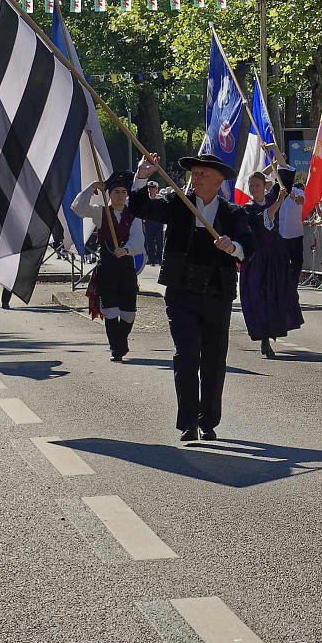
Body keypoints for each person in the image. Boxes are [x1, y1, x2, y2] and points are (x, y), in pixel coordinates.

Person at [128, 152, 256, 441]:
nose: (195, 179)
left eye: (202, 174)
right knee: (186, 356)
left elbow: (249, 245)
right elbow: (141, 208)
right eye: (193, 174)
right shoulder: (178, 203)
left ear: (218, 180)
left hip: (216, 294)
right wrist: (141, 176)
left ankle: (208, 420)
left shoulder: (232, 213)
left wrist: (232, 246)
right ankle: (188, 421)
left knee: (213, 359)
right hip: (181, 292)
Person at [72, 171, 145, 361]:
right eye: (116, 192)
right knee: (110, 311)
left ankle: (121, 341)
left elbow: (139, 239)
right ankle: (117, 349)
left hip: (126, 268)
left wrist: (127, 249)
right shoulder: (100, 212)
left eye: (123, 192)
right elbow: (78, 209)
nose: (120, 195)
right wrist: (92, 187)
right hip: (107, 268)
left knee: (129, 314)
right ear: (110, 194)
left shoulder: (133, 215)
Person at [239, 169, 304, 358]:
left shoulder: (272, 196)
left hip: (276, 255)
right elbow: (264, 218)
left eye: (257, 185)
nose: (253, 188)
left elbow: (285, 178)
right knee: (259, 295)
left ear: (264, 186)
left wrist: (274, 152)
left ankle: (273, 329)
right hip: (258, 257)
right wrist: (280, 201)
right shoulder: (249, 207)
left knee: (279, 293)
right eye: (251, 185)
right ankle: (264, 339)